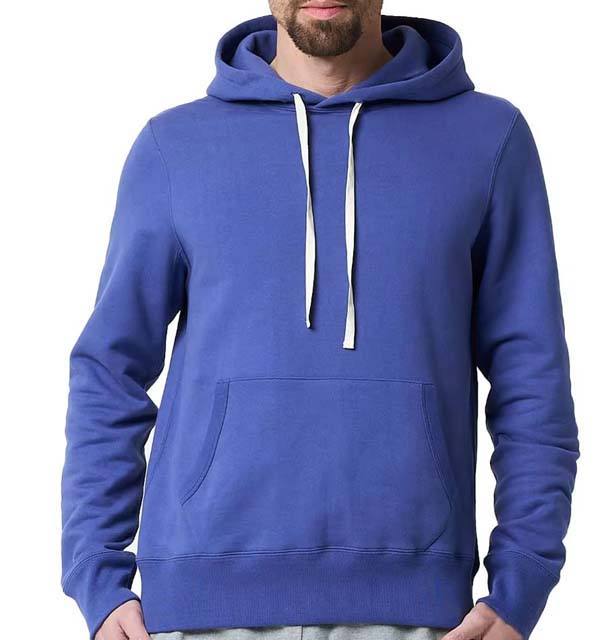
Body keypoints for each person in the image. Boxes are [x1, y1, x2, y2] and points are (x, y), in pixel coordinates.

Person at [61, 2, 579, 639]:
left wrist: (521, 582)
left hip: (421, 614)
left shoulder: (488, 139)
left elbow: (532, 376)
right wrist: (97, 574)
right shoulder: (174, 147)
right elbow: (110, 370)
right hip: (196, 608)